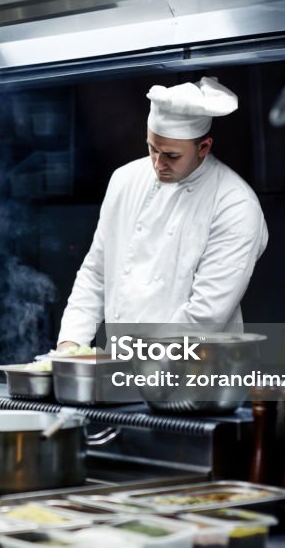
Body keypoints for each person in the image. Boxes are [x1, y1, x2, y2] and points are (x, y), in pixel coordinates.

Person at [57, 77, 268, 349]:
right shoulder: (124, 180)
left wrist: (134, 363)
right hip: (121, 374)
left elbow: (205, 315)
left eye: (171, 155)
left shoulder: (235, 204)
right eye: (152, 148)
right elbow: (96, 273)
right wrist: (70, 344)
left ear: (204, 147)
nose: (158, 164)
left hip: (194, 375)